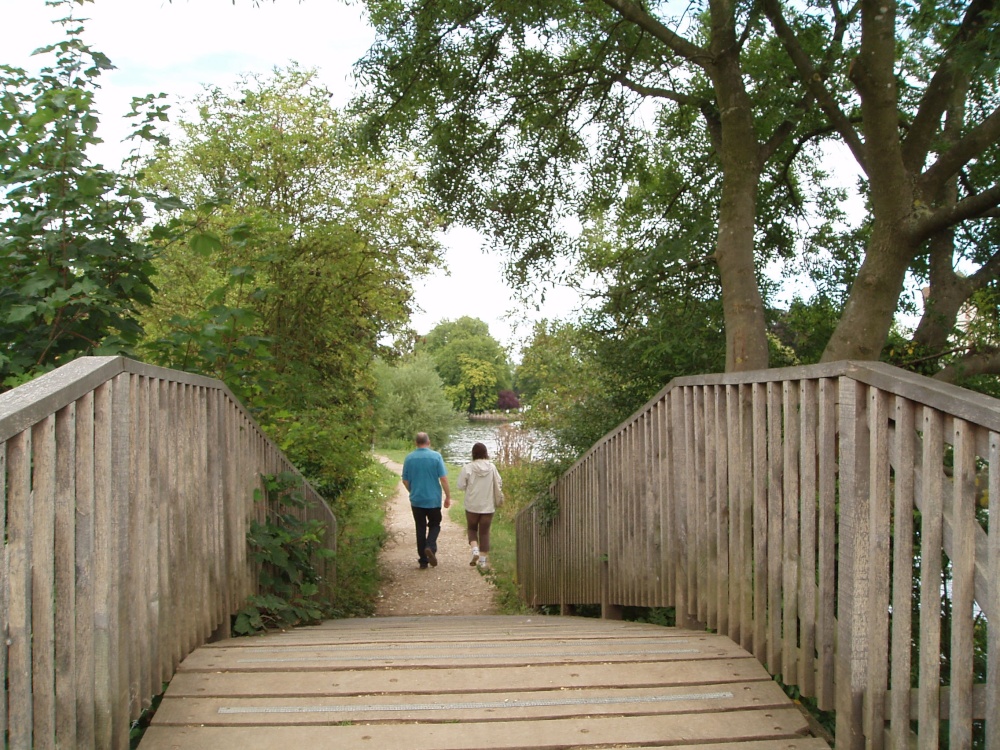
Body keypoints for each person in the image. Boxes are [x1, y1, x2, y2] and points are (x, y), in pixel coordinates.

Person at [401, 432, 451, 569]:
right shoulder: (436, 457)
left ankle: (423, 560)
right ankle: (430, 546)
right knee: (435, 524)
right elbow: (443, 479)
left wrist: (413, 491)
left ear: (416, 443)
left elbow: (405, 480)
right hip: (433, 499)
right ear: (428, 442)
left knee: (420, 527)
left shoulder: (409, 458)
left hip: (417, 500)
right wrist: (448, 496)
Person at [457, 442, 502, 571]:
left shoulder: (468, 468)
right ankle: (482, 562)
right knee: (484, 532)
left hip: (472, 505)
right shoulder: (492, 467)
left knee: (471, 529)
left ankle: (474, 549)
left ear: (473, 453)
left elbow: (460, 485)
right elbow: (499, 482)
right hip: (488, 506)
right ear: (485, 453)